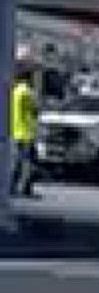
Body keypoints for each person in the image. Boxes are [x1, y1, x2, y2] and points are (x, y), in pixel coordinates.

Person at [11, 62, 37, 198]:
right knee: (27, 162)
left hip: (15, 130)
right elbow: (34, 111)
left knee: (18, 161)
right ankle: (26, 188)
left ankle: (12, 187)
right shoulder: (27, 92)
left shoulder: (15, 91)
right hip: (27, 131)